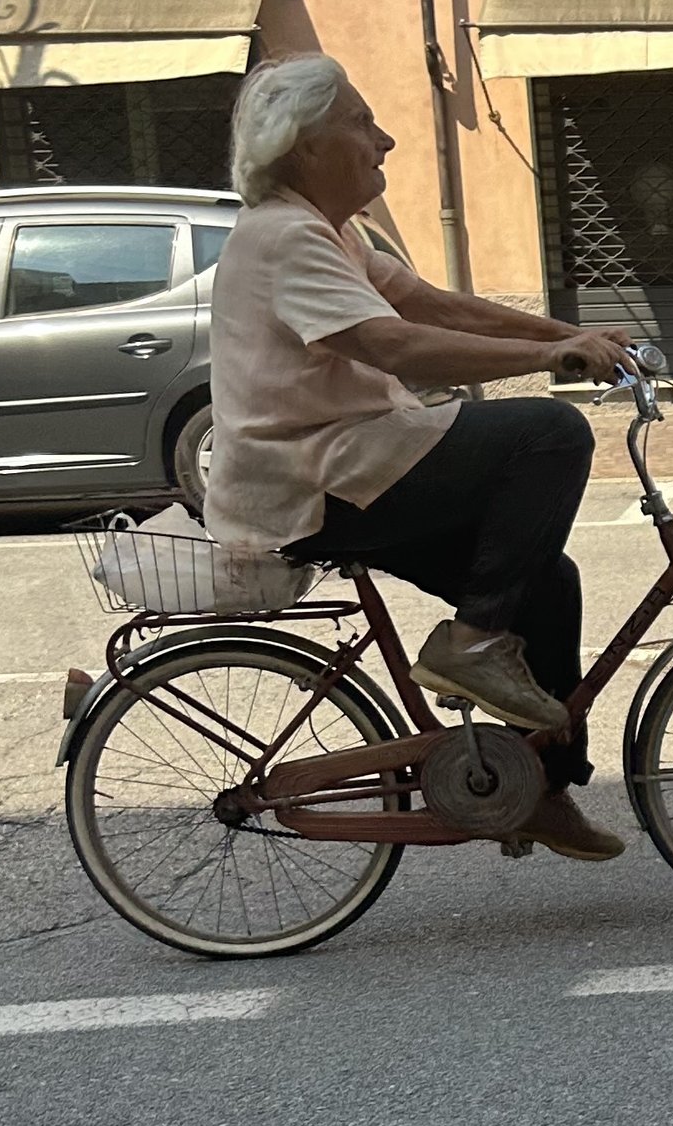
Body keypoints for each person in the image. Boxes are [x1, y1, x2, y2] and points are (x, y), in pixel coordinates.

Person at [202, 54, 636, 863]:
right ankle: (471, 644)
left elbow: (428, 302)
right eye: (362, 123)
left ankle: (540, 789)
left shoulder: (328, 229)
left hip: (356, 465)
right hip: (314, 481)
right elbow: (395, 344)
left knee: (548, 582)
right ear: (304, 144)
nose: (386, 140)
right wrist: (552, 364)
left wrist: (571, 336)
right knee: (550, 435)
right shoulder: (283, 237)